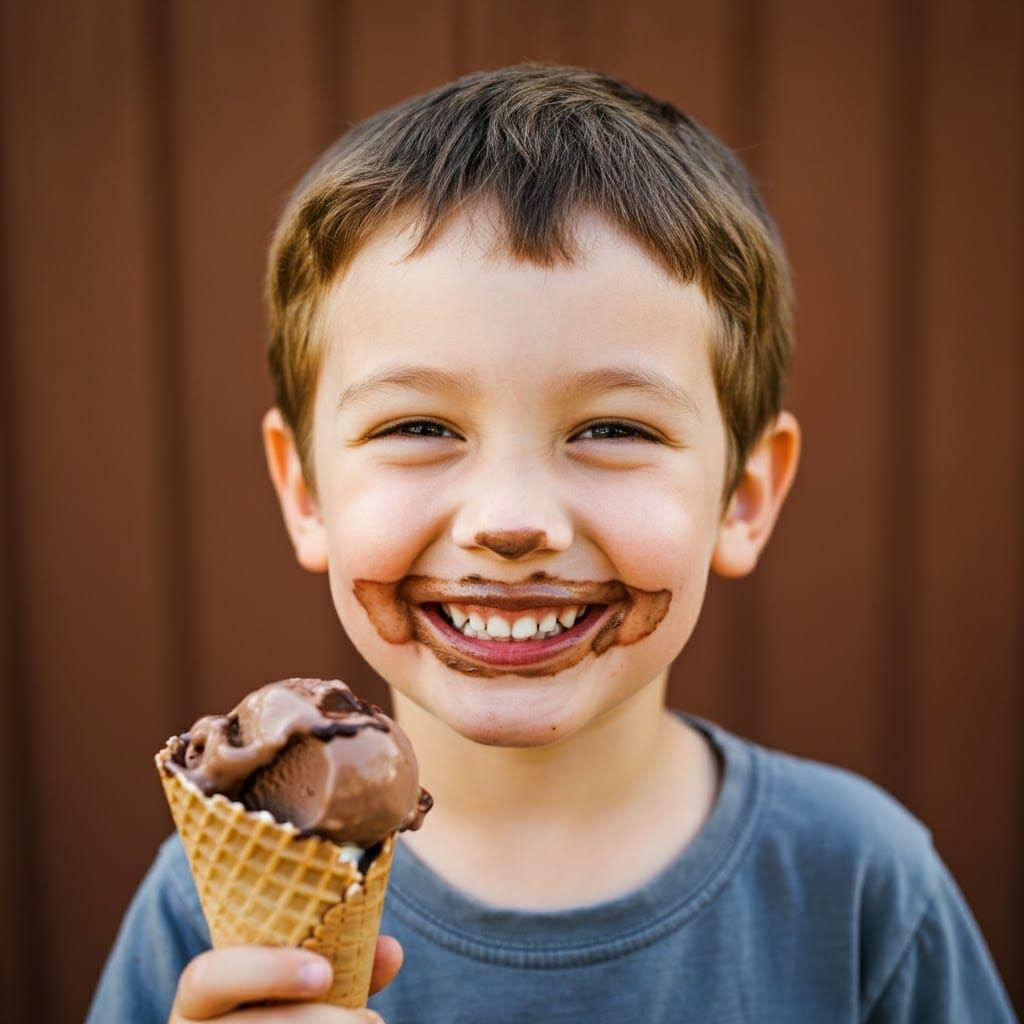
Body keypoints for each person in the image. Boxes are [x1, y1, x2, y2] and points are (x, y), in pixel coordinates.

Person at [88, 64, 1016, 1023]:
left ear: (743, 495)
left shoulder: (860, 888)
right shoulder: (201, 913)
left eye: (614, 430)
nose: (511, 519)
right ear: (304, 490)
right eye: (419, 427)